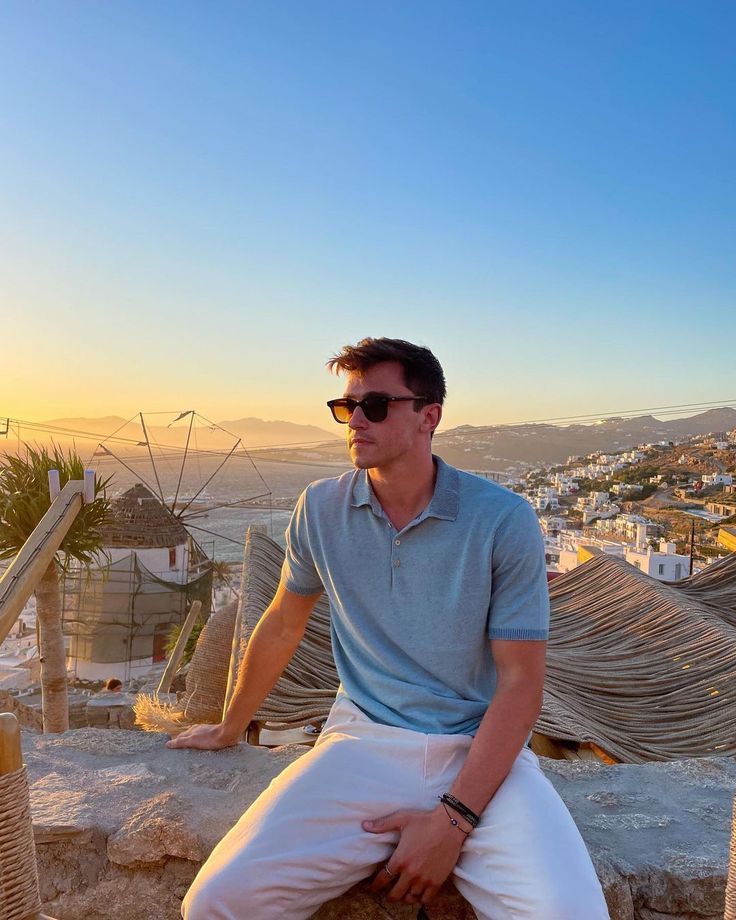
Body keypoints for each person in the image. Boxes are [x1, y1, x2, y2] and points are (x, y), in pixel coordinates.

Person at [168, 337, 609, 920]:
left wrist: (453, 820)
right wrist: (230, 725)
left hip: (480, 753)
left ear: (430, 417)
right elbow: (280, 622)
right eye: (345, 407)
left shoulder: (502, 519)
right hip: (364, 739)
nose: (356, 420)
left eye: (375, 405)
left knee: (569, 912)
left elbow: (520, 683)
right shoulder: (320, 509)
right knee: (218, 903)